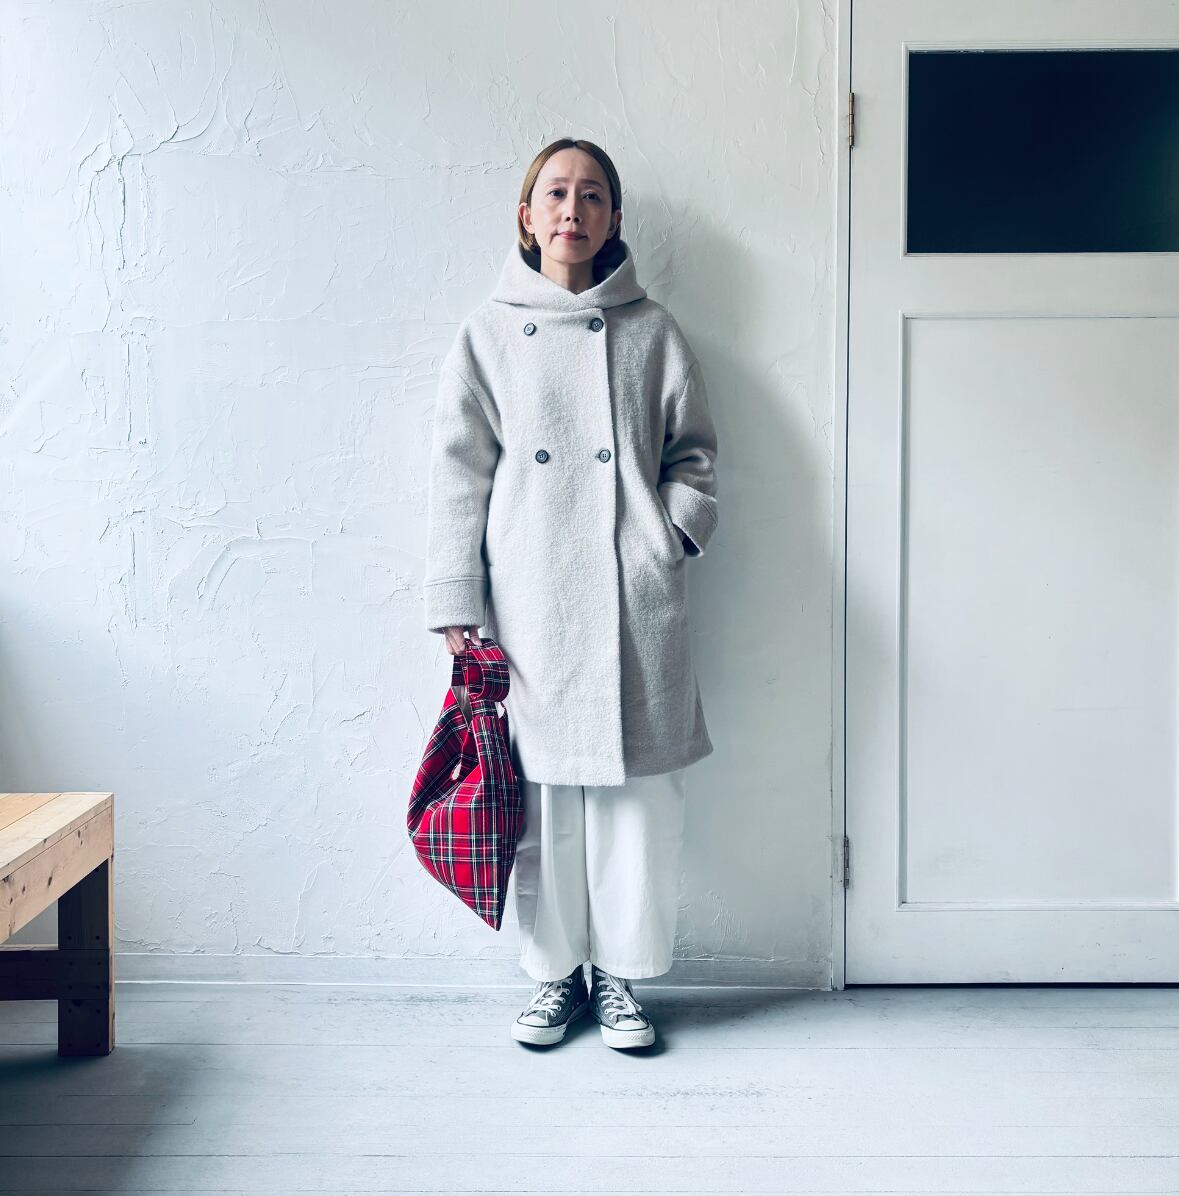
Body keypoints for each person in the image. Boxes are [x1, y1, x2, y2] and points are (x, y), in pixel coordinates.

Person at [423, 138, 719, 1049]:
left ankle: (620, 981)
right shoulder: (486, 333)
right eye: (555, 192)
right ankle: (555, 976)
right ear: (526, 215)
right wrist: (456, 600)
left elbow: (695, 455)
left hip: (634, 597)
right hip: (532, 595)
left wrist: (666, 537)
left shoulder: (652, 330)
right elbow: (458, 473)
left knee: (635, 801)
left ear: (613, 218)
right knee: (544, 799)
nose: (572, 209)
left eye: (591, 195)